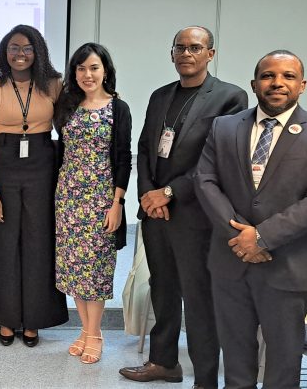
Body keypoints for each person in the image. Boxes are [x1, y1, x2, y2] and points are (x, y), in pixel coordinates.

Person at [195, 50, 307, 388]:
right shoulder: (224, 127)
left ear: (302, 85)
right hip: (230, 262)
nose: (277, 82)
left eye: (288, 76)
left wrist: (261, 237)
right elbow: (205, 181)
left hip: (288, 266)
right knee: (235, 361)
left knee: (282, 366)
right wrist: (240, 237)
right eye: (268, 75)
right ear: (254, 84)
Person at [120, 26, 247, 387]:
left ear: (211, 53)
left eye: (195, 47)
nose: (186, 53)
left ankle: (205, 376)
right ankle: (163, 362)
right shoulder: (161, 96)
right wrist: (148, 194)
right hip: (156, 213)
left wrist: (170, 193)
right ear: (171, 53)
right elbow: (146, 147)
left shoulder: (229, 97)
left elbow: (218, 159)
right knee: (162, 287)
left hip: (196, 215)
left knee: (198, 296)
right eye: (180, 48)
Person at [0, 24, 67, 347]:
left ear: (37, 51)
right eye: (14, 48)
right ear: (5, 52)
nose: (20, 54)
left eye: (27, 48)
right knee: (3, 244)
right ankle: (6, 318)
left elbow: (71, 124)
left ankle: (34, 321)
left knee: (39, 243)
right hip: (4, 165)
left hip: (43, 165)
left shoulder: (54, 85)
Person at [52, 43, 132, 364]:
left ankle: (96, 334)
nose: (88, 74)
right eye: (82, 68)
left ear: (105, 71)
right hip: (68, 199)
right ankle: (84, 331)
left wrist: (118, 203)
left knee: (95, 270)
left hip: (101, 200)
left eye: (94, 68)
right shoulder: (67, 105)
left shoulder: (118, 108)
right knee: (74, 269)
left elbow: (123, 158)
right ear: (75, 73)